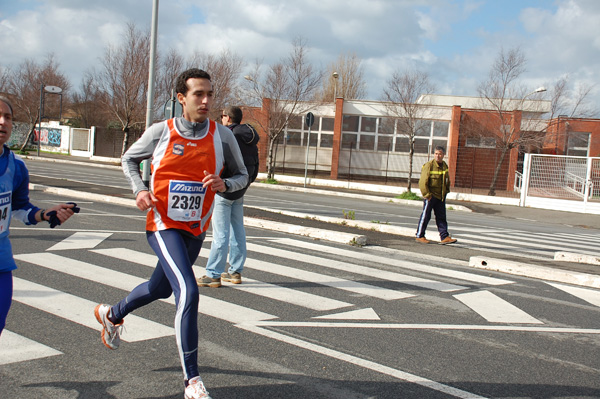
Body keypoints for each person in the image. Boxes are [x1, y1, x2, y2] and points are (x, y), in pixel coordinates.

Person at [93, 69, 248, 399]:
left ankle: (112, 314)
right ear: (182, 98)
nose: (206, 100)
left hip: (195, 229)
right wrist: (139, 190)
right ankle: (191, 380)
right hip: (162, 224)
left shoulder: (222, 136)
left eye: (209, 94)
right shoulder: (161, 131)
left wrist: (226, 184)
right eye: (198, 94)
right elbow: (129, 159)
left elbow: (243, 175)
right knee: (188, 291)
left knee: (159, 288)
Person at [0, 96, 77, 336]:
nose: (2, 122)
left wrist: (45, 214)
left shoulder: (16, 166)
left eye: (8, 117)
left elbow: (20, 208)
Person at [197, 106, 259, 288]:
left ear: (228, 118)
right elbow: (253, 165)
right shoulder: (251, 138)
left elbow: (218, 161)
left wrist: (221, 183)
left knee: (220, 233)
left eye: (222, 116)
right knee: (238, 230)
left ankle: (213, 274)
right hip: (240, 189)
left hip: (224, 189)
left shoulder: (227, 137)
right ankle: (235, 271)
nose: (221, 119)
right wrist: (244, 184)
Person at [415, 146, 457, 245]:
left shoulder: (444, 166)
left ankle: (444, 236)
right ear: (434, 154)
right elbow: (422, 182)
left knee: (441, 217)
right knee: (426, 216)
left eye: (440, 154)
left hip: (440, 196)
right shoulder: (429, 165)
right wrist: (427, 195)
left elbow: (446, 180)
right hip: (431, 196)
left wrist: (446, 191)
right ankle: (419, 235)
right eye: (436, 154)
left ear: (443, 155)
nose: (438, 156)